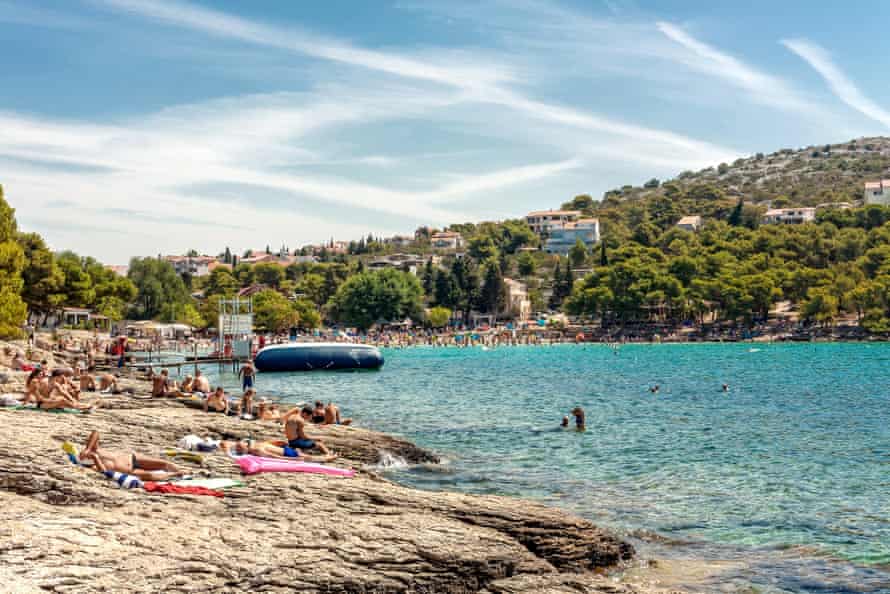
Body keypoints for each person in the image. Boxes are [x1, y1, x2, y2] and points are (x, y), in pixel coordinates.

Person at [79, 430, 184, 481]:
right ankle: (175, 474)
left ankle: (182, 473)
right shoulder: (94, 466)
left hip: (131, 458)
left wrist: (88, 449)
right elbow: (105, 472)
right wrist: (95, 458)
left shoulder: (93, 449)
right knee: (150, 476)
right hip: (129, 471)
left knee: (164, 464)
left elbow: (95, 433)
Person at [222, 439, 337, 463]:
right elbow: (272, 454)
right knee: (306, 457)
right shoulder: (255, 447)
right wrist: (293, 459)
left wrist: (294, 459)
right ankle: (328, 457)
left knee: (307, 456)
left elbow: (273, 454)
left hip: (285, 451)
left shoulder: (255, 447)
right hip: (286, 451)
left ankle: (328, 456)